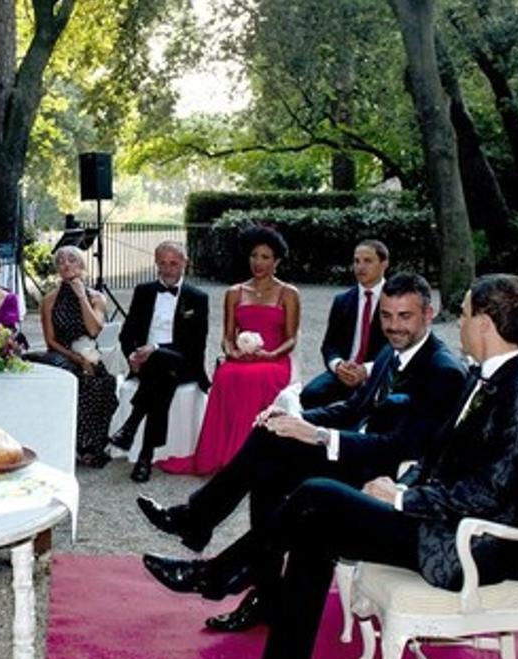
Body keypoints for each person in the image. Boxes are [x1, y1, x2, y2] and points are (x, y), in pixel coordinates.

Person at [141, 273, 518, 659]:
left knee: (317, 495)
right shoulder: (482, 379)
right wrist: (399, 487)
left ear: (484, 323)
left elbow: (490, 493)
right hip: (435, 517)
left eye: (464, 314)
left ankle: (218, 573)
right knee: (314, 528)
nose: (459, 323)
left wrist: (401, 498)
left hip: (470, 545)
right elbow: (434, 459)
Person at [136, 273, 467, 631]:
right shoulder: (391, 351)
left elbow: (399, 449)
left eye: (405, 317)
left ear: (428, 315)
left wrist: (319, 435)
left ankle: (211, 544)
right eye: (386, 316)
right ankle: (243, 575)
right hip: (357, 452)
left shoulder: (443, 371)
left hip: (383, 476)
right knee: (270, 441)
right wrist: (295, 418)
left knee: (273, 457)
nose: (393, 326)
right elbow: (353, 408)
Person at [159, 226, 300, 476]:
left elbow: (291, 339)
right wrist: (232, 352)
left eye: (265, 257)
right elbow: (227, 336)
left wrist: (272, 354)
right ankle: (223, 454)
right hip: (241, 358)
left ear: (277, 261)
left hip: (274, 360)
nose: (258, 262)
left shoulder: (288, 293)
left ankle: (251, 457)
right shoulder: (234, 292)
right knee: (226, 374)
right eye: (254, 256)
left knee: (256, 378)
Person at [109, 241, 210, 482]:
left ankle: (131, 426)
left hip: (183, 361)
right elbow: (127, 334)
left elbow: (195, 347)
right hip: (149, 366)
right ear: (156, 263)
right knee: (160, 376)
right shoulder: (144, 291)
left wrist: (154, 350)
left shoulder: (197, 297)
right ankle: (145, 454)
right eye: (162, 263)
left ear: (185, 263)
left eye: (174, 263)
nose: (167, 269)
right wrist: (133, 356)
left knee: (160, 364)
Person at [36, 245, 118, 466]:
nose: (65, 264)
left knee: (103, 384)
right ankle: (74, 444)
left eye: (71, 259)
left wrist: (82, 296)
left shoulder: (97, 297)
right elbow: (50, 340)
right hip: (62, 356)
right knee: (76, 379)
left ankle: (92, 445)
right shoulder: (50, 300)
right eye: (60, 261)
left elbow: (94, 330)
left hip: (89, 353)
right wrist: (76, 358)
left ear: (82, 264)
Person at [299, 240, 389, 409]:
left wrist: (367, 370)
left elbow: (398, 348)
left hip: (379, 372)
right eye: (356, 261)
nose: (360, 267)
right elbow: (329, 345)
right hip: (344, 372)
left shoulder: (395, 299)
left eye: (367, 261)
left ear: (384, 263)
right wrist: (338, 365)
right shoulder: (343, 300)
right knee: (309, 395)